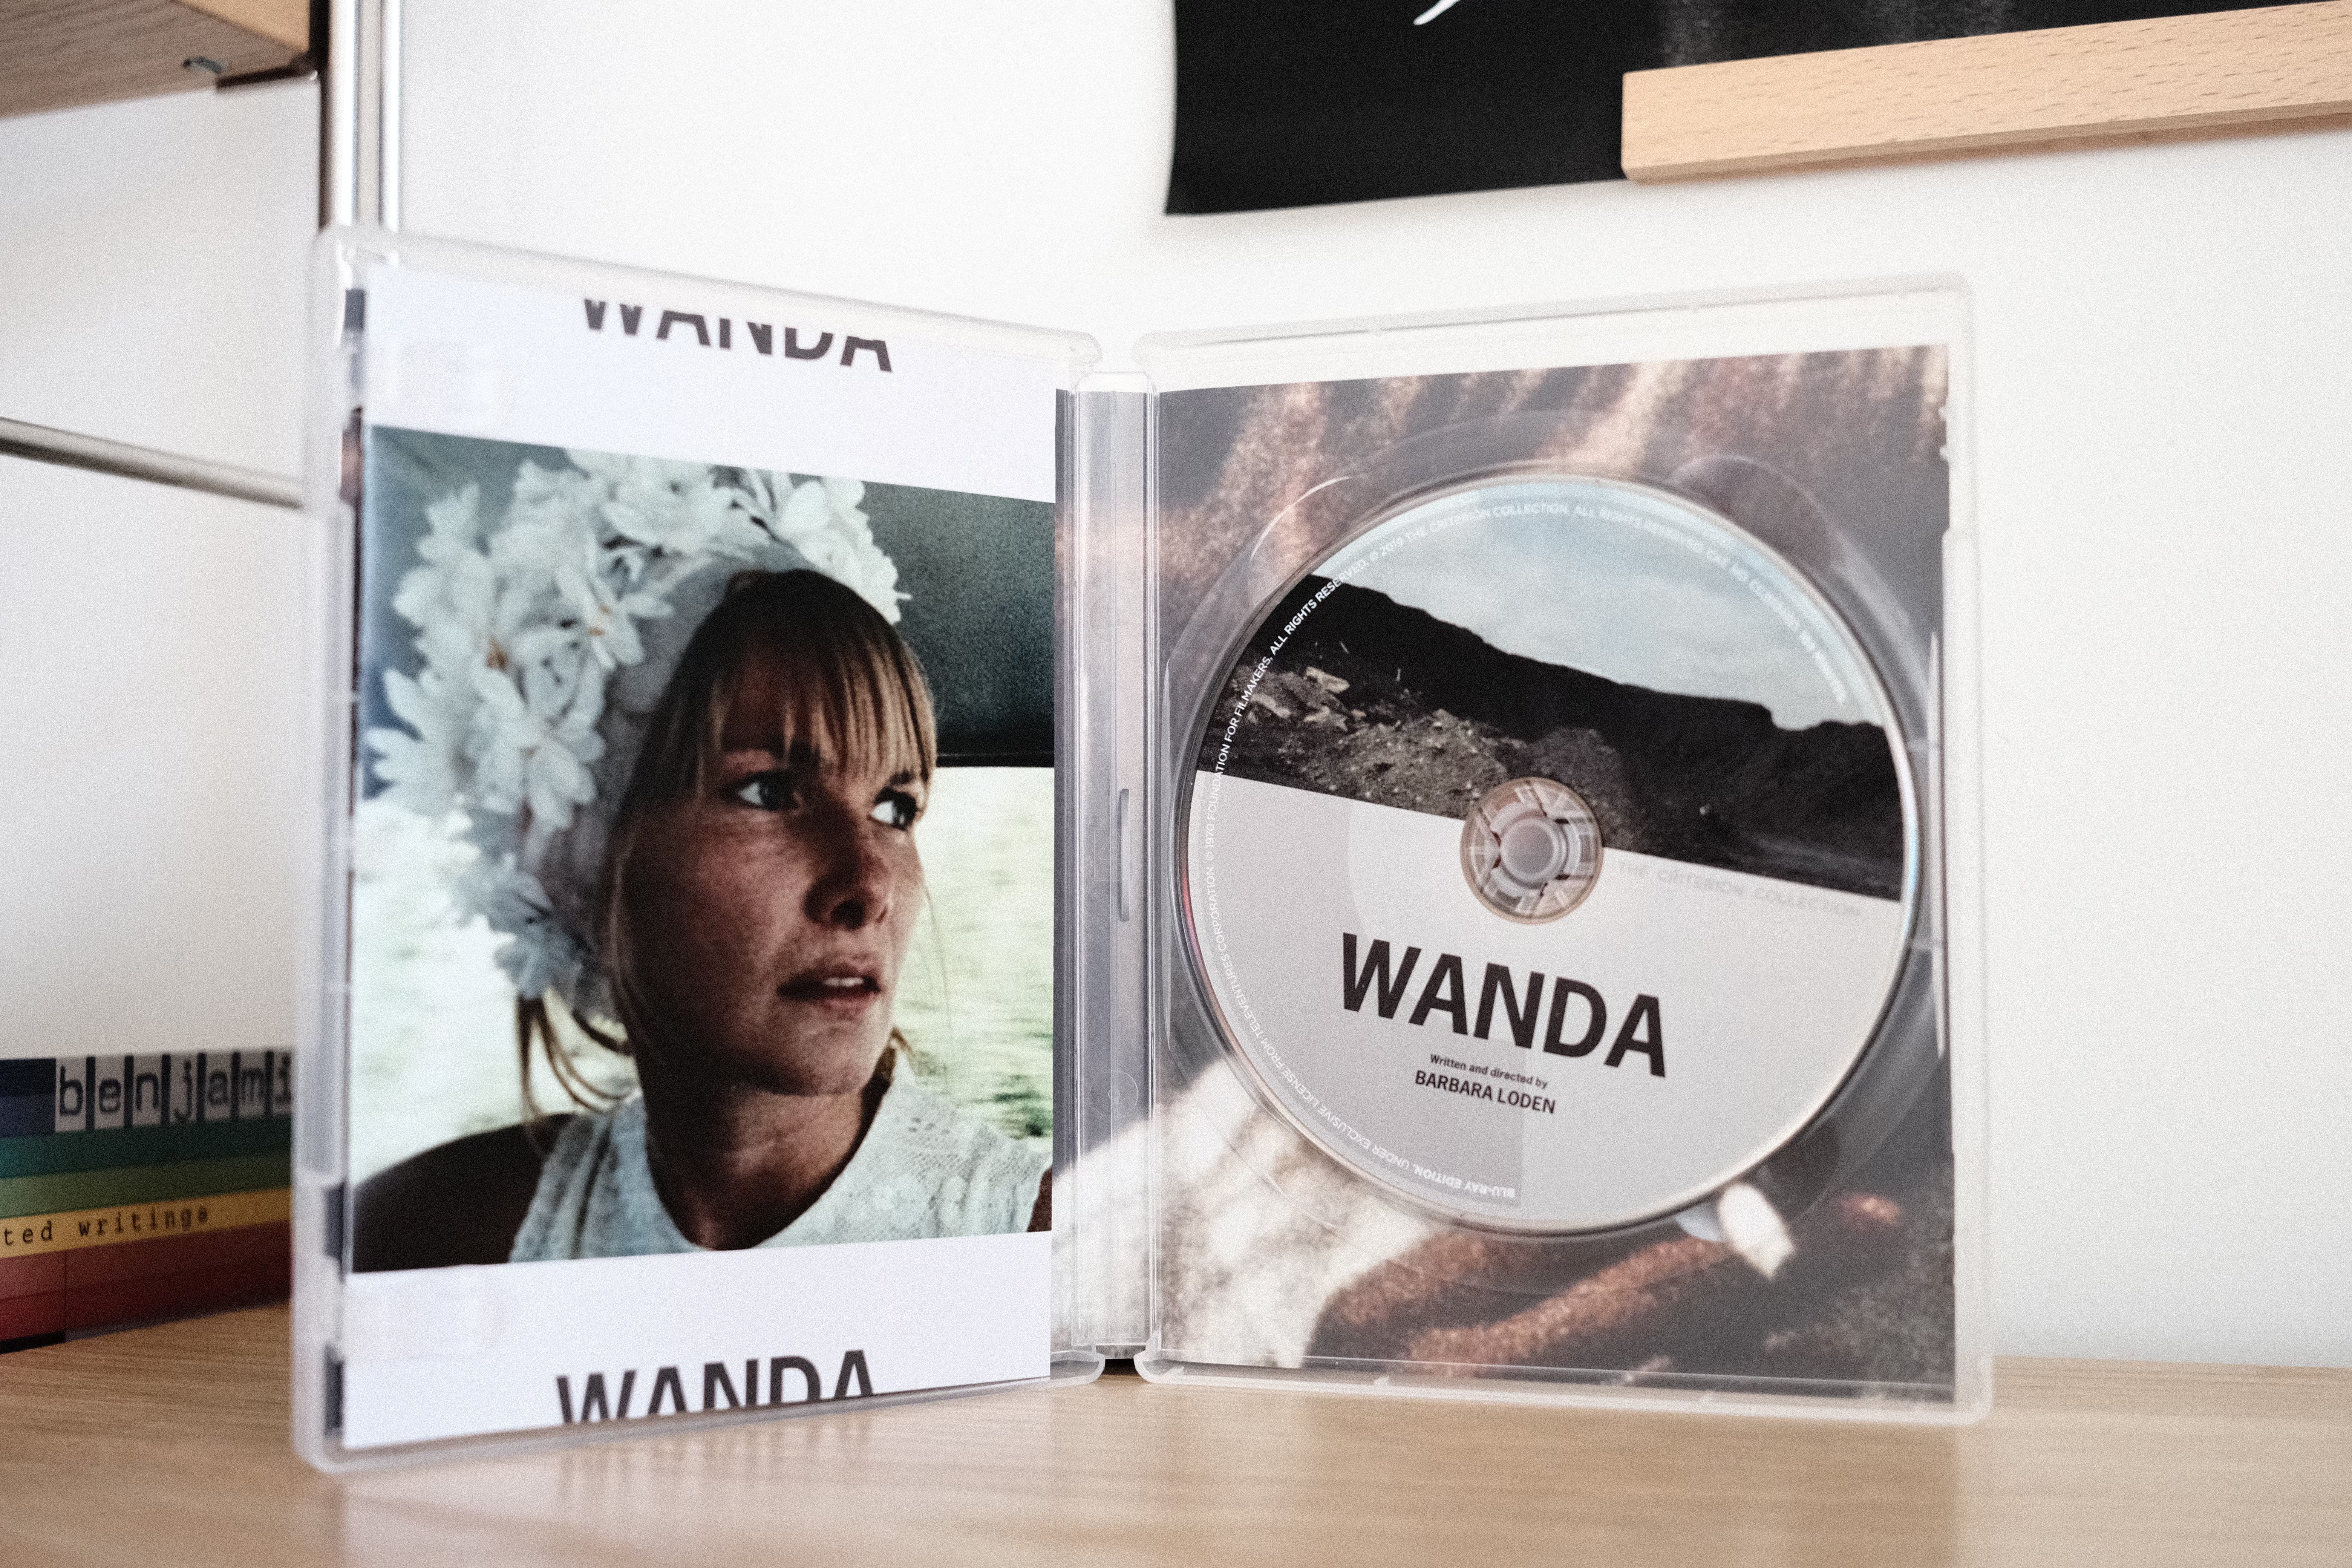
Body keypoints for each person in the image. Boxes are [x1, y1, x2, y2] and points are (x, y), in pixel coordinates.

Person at [355, 569, 1049, 1269]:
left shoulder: (1047, 1250)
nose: (869, 885)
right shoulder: (430, 1232)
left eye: (895, 808)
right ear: (585, 851)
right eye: (768, 792)